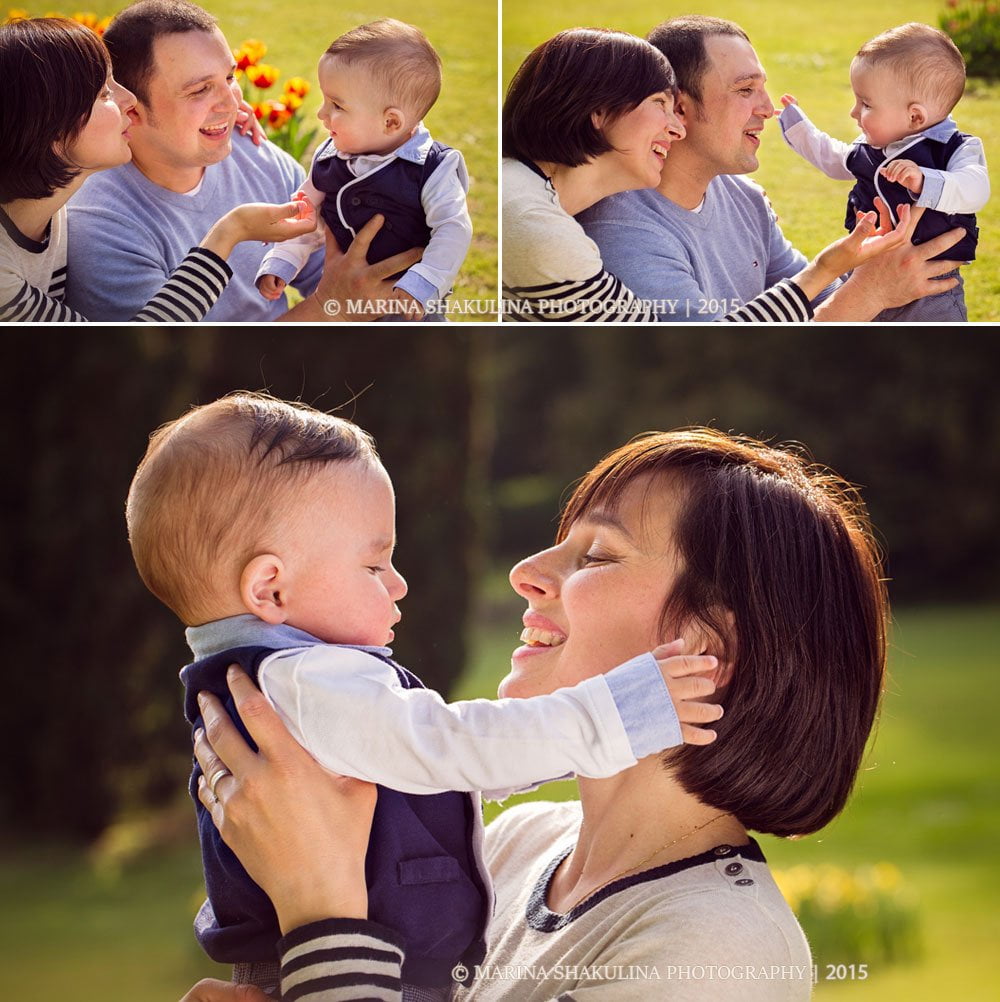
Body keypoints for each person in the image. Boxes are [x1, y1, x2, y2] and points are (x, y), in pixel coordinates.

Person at [185, 427, 888, 1001]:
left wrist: (319, 906)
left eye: (598, 554)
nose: (527, 569)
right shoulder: (508, 848)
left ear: (704, 648)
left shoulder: (717, 952)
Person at [126, 393, 724, 998]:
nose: (399, 583)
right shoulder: (307, 682)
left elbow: (436, 768)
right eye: (374, 565)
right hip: (357, 967)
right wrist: (617, 714)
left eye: (596, 555)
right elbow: (449, 748)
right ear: (270, 589)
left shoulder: (281, 682)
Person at [501, 27, 924, 324]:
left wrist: (865, 278)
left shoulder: (743, 197)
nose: (767, 108)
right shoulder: (604, 231)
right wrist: (864, 290)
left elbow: (820, 300)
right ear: (682, 107)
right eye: (745, 90)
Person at [61, 0, 417, 323]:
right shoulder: (103, 225)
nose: (232, 104)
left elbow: (344, 278)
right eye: (200, 90)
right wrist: (329, 306)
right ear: (131, 110)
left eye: (230, 78)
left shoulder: (255, 154)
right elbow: (187, 375)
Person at [0, 15, 318, 323]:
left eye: (230, 78)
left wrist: (214, 109)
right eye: (105, 94)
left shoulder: (53, 213)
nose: (129, 101)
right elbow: (126, 354)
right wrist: (230, 233)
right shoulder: (82, 224)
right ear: (51, 130)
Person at [256, 19, 472, 322]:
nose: (321, 114)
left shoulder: (432, 168)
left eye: (337, 105)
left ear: (391, 122)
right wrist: (283, 259)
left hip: (406, 305)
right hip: (345, 302)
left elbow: (453, 228)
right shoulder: (330, 157)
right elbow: (303, 214)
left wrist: (422, 283)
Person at [779, 22, 989, 322]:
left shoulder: (955, 148)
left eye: (865, 104)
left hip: (929, 290)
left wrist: (925, 180)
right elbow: (832, 157)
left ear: (914, 116)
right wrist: (798, 126)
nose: (854, 113)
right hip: (863, 275)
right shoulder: (871, 148)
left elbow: (976, 188)